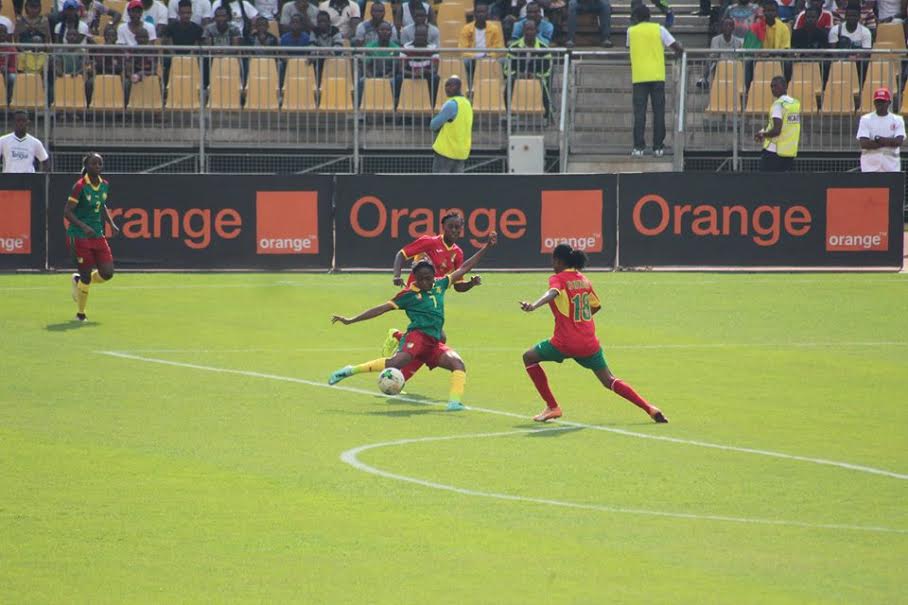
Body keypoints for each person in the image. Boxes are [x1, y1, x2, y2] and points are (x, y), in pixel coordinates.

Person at [328, 231, 498, 412]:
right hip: (417, 337)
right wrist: (351, 320)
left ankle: (454, 403)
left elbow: (464, 268)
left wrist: (486, 247)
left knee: (458, 364)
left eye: (428, 278)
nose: (425, 282)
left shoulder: (440, 284)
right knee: (396, 363)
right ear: (415, 278)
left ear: (434, 275)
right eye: (421, 279)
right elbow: (381, 309)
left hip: (433, 342)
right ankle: (349, 370)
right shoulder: (408, 295)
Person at [519, 244, 668, 423]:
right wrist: (579, 319)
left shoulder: (557, 278)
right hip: (589, 343)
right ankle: (650, 408)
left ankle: (552, 407)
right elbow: (595, 306)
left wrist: (534, 305)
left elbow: (553, 292)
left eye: (553, 260)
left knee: (529, 357)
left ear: (558, 260)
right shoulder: (584, 279)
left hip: (565, 342)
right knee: (609, 380)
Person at [380, 213, 484, 378]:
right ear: (444, 227)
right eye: (451, 227)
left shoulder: (457, 253)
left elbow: (458, 286)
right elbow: (401, 254)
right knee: (436, 336)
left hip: (433, 297)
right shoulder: (429, 242)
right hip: (415, 295)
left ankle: (398, 344)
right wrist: (396, 275)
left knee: (436, 338)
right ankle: (401, 363)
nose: (454, 230)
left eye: (458, 227)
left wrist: (471, 283)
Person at [64, 153, 119, 323]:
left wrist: (111, 222)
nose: (97, 166)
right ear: (86, 166)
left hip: (97, 235)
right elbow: (67, 212)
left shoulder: (105, 185)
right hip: (80, 235)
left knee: (108, 273)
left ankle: (78, 280)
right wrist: (83, 226)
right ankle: (80, 314)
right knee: (87, 276)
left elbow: (101, 204)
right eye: (93, 163)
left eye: (99, 163)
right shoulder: (80, 186)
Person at [627, 4, 682, 157]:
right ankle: (658, 147)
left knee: (639, 113)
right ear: (649, 16)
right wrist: (679, 53)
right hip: (657, 76)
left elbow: (628, 47)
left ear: (636, 18)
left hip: (639, 77)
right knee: (658, 113)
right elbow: (676, 47)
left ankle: (638, 148)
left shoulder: (631, 31)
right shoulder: (659, 29)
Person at [755, 75, 800, 171]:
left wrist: (762, 134)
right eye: (771, 86)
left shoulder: (778, 105)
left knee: (765, 182)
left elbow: (776, 130)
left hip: (773, 153)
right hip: (788, 152)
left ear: (785, 86)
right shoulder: (794, 104)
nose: (773, 89)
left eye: (776, 86)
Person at [430, 76, 473, 173]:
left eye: (450, 85)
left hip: (446, 152)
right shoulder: (467, 104)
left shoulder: (451, 104)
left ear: (457, 86)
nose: (447, 88)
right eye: (446, 86)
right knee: (456, 186)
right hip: (461, 152)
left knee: (439, 185)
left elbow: (433, 125)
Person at [856, 87, 905, 172]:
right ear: (874, 102)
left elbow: (898, 142)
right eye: (878, 101)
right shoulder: (866, 119)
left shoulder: (897, 120)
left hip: (891, 166)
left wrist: (878, 139)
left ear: (889, 102)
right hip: (870, 166)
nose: (880, 104)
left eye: (883, 102)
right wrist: (888, 142)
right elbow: (864, 143)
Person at [458, 2, 504, 84]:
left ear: (487, 13)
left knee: (504, 60)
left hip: (489, 57)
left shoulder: (494, 29)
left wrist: (488, 56)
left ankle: (500, 87)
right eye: (478, 12)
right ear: (475, 13)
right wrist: (476, 56)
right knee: (465, 62)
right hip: (472, 58)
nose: (481, 14)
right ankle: (469, 88)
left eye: (483, 12)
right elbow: (463, 50)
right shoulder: (466, 29)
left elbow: (499, 48)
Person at [697, 17, 742, 88]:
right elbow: (714, 55)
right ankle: (704, 79)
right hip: (718, 64)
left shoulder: (738, 42)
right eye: (725, 25)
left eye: (730, 25)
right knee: (710, 60)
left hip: (733, 66)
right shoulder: (715, 39)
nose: (728, 27)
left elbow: (737, 57)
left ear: (733, 28)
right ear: (721, 27)